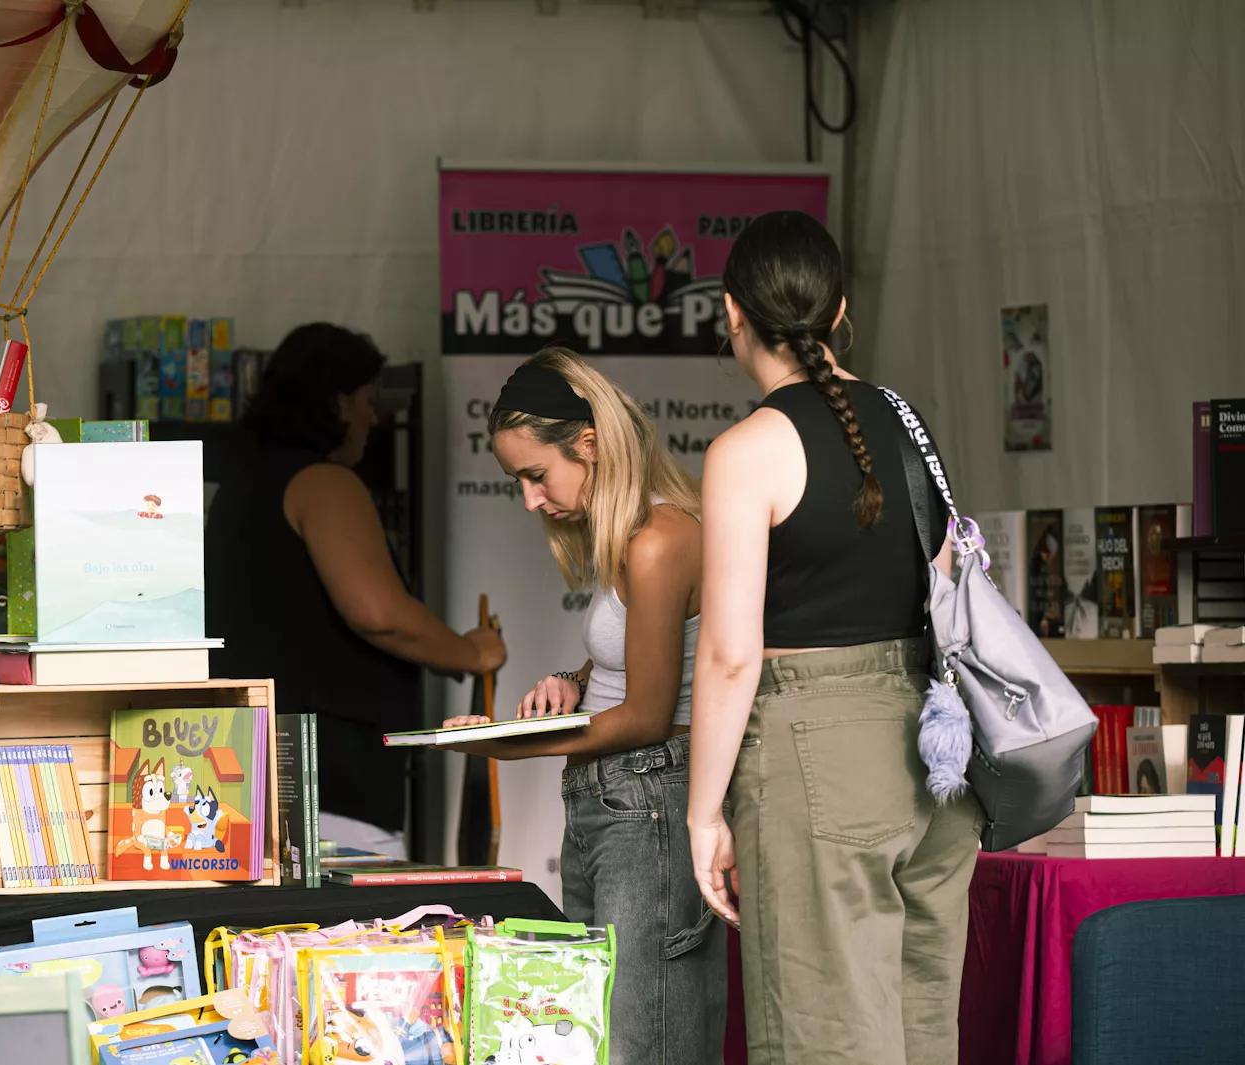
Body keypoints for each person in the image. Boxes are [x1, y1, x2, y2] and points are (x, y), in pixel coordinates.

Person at [685, 210, 980, 1065]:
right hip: (939, 752)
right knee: (923, 1031)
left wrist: (705, 815)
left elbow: (732, 652)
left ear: (732, 313)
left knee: (825, 1036)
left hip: (819, 753)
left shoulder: (749, 449)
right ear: (841, 308)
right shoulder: (907, 422)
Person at [441, 348, 727, 1065]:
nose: (531, 500)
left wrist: (504, 743)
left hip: (650, 802)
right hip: (612, 803)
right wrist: (573, 677)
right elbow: (636, 664)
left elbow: (648, 716)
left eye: (536, 475)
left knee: (642, 1044)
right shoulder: (631, 537)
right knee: (590, 1042)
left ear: (589, 443)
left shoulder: (661, 539)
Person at [206, 323, 505, 859]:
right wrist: (469, 652)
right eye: (367, 400)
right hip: (329, 778)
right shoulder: (323, 483)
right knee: (350, 936)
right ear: (334, 401)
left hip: (254, 765)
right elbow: (379, 612)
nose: (375, 416)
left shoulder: (242, 484)